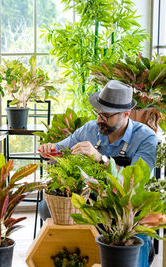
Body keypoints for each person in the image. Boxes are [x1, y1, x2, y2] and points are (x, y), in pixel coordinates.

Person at [39, 80, 157, 267]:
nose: (98, 120)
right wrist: (49, 151)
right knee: (46, 207)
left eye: (106, 116)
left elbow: (136, 180)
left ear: (126, 114)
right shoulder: (90, 130)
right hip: (92, 198)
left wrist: (101, 160)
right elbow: (60, 150)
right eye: (98, 113)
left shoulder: (145, 138)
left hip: (126, 205)